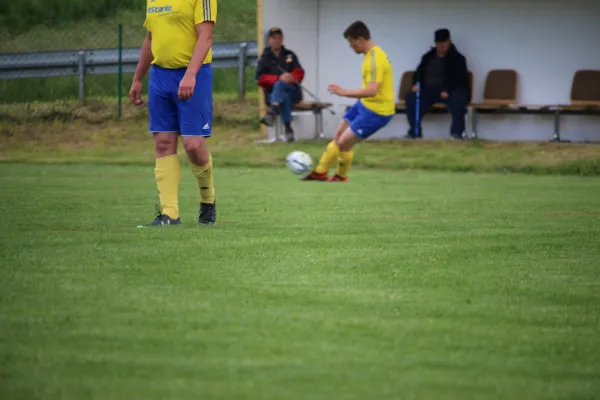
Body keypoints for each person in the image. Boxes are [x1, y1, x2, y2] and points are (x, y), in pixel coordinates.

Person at [129, 0, 218, 227]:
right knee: (162, 142)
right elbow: (150, 39)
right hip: (160, 77)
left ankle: (208, 201)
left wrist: (190, 74)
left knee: (193, 144)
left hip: (194, 74)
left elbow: (206, 37)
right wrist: (138, 78)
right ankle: (170, 214)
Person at [302, 20, 395, 182]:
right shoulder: (369, 55)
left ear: (360, 40)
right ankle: (338, 176)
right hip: (364, 105)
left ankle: (320, 173)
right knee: (338, 136)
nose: (351, 47)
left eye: (352, 43)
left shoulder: (376, 59)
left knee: (343, 142)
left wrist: (343, 92)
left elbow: (372, 91)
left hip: (378, 112)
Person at [404, 28, 470, 140]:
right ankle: (415, 132)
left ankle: (456, 134)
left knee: (459, 98)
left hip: (451, 90)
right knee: (411, 97)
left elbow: (460, 78)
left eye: (444, 42)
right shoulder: (427, 57)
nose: (441, 46)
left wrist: (447, 90)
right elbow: (418, 73)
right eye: (438, 43)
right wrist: (416, 84)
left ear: (449, 42)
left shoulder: (458, 59)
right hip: (430, 91)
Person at [255, 27, 305, 142]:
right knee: (281, 90)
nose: (277, 40)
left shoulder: (290, 55)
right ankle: (288, 129)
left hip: (293, 91)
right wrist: (278, 78)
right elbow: (259, 79)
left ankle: (272, 112)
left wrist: (290, 77)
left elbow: (300, 73)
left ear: (282, 39)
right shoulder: (264, 58)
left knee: (280, 86)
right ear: (269, 40)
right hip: (273, 95)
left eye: (279, 38)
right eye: (274, 38)